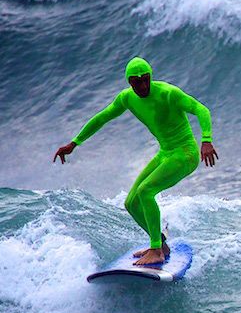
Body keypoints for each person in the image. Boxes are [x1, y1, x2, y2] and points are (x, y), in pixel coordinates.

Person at [53, 58, 218, 267]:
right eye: (135, 82)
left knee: (145, 191)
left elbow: (201, 109)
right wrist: (74, 143)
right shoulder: (127, 98)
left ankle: (156, 249)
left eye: (145, 80)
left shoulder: (168, 93)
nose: (141, 86)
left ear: (150, 77)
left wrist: (206, 140)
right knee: (131, 203)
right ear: (129, 82)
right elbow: (102, 118)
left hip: (185, 153)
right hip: (165, 153)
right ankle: (161, 244)